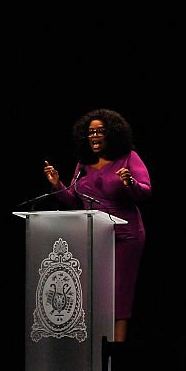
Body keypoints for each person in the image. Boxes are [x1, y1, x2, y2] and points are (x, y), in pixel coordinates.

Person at [42, 108, 150, 343]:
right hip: (94, 236)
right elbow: (73, 199)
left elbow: (145, 191)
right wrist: (56, 184)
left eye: (100, 131)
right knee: (96, 295)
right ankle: (95, 359)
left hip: (125, 235)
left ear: (112, 134)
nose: (94, 136)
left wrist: (130, 183)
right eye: (90, 132)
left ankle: (117, 359)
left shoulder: (128, 157)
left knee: (119, 295)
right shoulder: (83, 165)